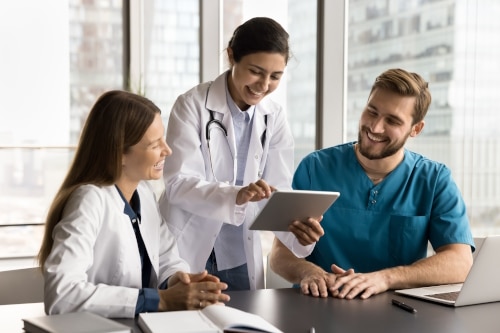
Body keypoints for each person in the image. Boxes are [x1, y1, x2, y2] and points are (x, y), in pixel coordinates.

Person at [269, 68, 475, 300]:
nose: (375, 127)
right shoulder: (315, 168)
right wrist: (311, 273)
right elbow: (279, 254)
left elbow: (460, 262)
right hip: (319, 305)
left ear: (415, 129)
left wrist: (384, 279)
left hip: (398, 314)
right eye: (372, 111)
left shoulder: (435, 179)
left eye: (393, 121)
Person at [158, 17, 323, 291]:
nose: (264, 84)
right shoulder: (192, 105)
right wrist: (236, 195)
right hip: (186, 248)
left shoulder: (274, 117)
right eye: (256, 71)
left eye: (275, 76)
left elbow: (276, 190)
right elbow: (177, 182)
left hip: (237, 254)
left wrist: (299, 233)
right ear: (231, 56)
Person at [37, 90, 230, 318]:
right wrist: (162, 300)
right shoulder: (89, 201)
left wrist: (179, 280)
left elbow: (166, 255)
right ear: (120, 154)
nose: (167, 150)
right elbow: (62, 294)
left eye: (164, 140)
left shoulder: (143, 194)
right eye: (154, 144)